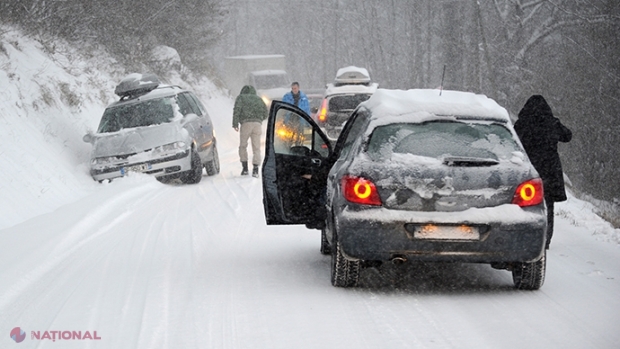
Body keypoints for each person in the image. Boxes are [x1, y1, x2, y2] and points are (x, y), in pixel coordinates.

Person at [514, 95, 572, 249]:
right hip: (549, 170)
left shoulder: (522, 124)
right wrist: (555, 123)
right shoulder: (551, 123)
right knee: (548, 206)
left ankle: (525, 236)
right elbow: (568, 136)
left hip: (529, 169)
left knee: (525, 204)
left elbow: (514, 142)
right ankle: (546, 240)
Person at [232, 85, 268, 177]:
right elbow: (265, 112)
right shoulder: (259, 99)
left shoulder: (241, 98)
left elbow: (237, 110)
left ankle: (245, 168)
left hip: (245, 124)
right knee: (256, 147)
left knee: (243, 146)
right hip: (257, 124)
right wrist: (259, 119)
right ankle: (255, 169)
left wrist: (235, 123)